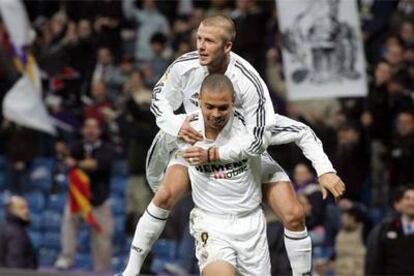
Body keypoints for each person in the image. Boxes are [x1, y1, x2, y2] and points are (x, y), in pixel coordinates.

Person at [122, 15, 345, 276]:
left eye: (209, 41)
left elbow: (260, 139)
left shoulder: (250, 85)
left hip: (245, 149)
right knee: (165, 195)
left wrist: (324, 169)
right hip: (196, 145)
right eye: (199, 39)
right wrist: (175, 125)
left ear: (227, 46)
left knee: (294, 214)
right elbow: (159, 100)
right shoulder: (185, 69)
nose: (201, 47)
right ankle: (130, 271)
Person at [177, 74, 272, 275]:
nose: (216, 114)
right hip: (211, 222)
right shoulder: (182, 129)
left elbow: (297, 132)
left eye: (222, 107)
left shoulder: (250, 127)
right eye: (209, 106)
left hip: (251, 222)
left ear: (233, 102)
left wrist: (324, 168)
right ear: (198, 99)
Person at [54, 118, 114, 271]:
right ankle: (67, 258)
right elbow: (65, 159)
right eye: (87, 127)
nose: (90, 130)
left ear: (99, 132)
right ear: (83, 130)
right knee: (68, 225)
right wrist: (62, 153)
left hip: (99, 200)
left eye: (94, 127)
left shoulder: (107, 148)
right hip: (78, 199)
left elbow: (96, 164)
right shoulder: (77, 146)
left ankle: (102, 269)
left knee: (102, 236)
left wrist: (75, 162)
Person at [365, 184, 414, 275]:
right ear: (399, 203)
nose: (411, 203)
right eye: (407, 198)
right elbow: (375, 261)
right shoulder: (385, 229)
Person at [0, 196, 37, 269]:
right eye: (22, 208)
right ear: (11, 210)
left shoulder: (5, 227)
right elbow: (15, 265)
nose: (27, 211)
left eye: (27, 207)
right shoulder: (16, 233)